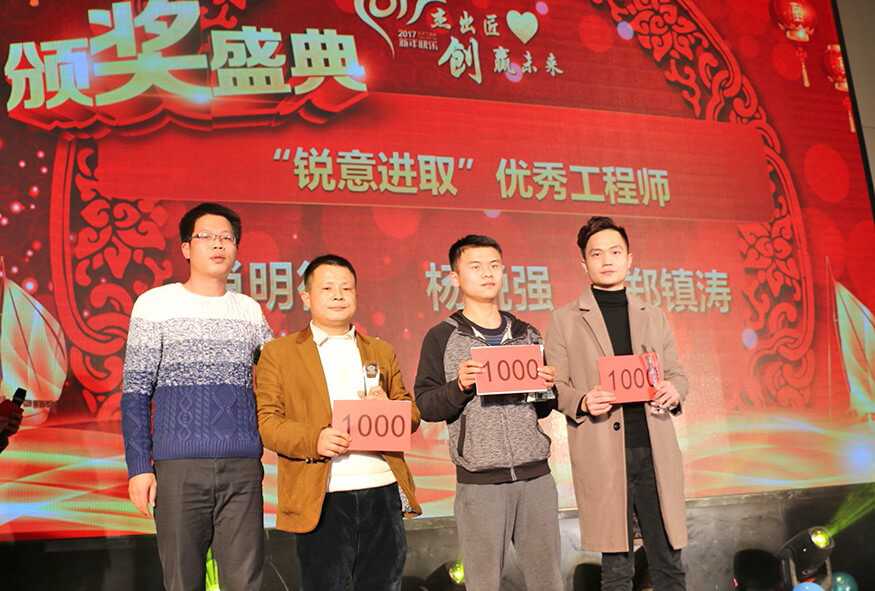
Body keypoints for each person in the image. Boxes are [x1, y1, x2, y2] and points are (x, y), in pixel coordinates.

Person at [121, 202, 273, 591]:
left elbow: (277, 379)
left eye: (227, 238)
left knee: (245, 582)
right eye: (206, 236)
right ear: (186, 248)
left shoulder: (249, 310)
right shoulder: (155, 304)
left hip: (242, 466)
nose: (218, 245)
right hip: (178, 466)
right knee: (182, 581)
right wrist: (138, 467)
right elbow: (136, 391)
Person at [255, 254, 421, 591]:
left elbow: (412, 415)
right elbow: (268, 423)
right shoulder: (279, 353)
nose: (338, 295)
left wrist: (389, 408)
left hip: (382, 489)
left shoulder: (380, 350)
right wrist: (314, 439)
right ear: (305, 297)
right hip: (324, 494)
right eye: (327, 288)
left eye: (346, 288)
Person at [545, 216, 688, 590]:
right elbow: (554, 386)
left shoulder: (652, 315)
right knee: (617, 567)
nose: (606, 260)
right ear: (583, 263)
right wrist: (583, 400)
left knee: (669, 561)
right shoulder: (564, 319)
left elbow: (676, 373)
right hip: (604, 452)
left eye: (615, 251)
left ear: (629, 258)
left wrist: (675, 390)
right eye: (596, 254)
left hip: (654, 450)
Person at [414, 235, 563, 591]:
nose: (487, 273)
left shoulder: (526, 334)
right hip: (479, 482)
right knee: (483, 584)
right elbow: (426, 404)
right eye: (476, 266)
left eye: (494, 266)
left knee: (548, 581)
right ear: (454, 278)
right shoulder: (441, 337)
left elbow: (542, 408)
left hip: (536, 478)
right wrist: (459, 386)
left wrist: (548, 386)